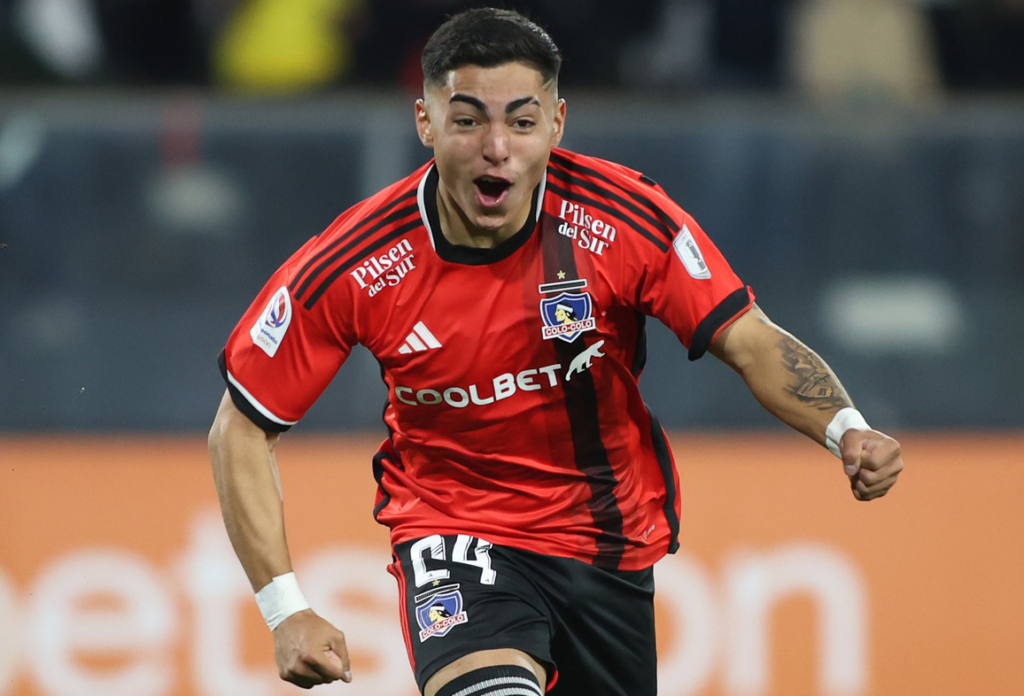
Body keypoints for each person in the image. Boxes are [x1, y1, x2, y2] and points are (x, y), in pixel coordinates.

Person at [207, 8, 904, 696]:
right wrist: (285, 608)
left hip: (606, 542)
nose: (497, 148)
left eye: (521, 120)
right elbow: (240, 427)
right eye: (468, 119)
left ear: (557, 123)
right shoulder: (356, 263)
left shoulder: (622, 217)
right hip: (454, 530)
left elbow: (748, 340)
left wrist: (845, 427)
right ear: (426, 122)